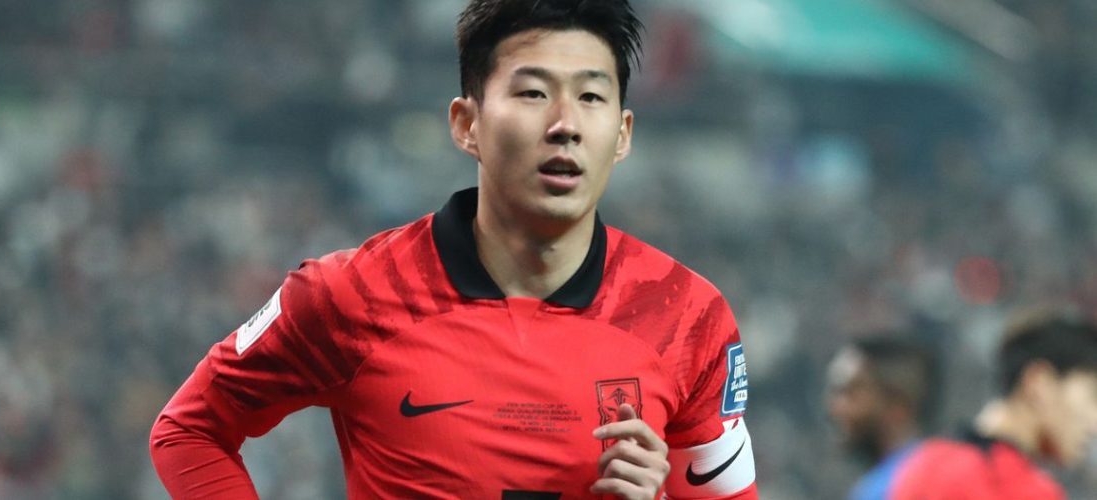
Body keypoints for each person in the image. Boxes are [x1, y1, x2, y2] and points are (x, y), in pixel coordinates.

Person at [149, 1, 758, 498]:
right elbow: (188, 429)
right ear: (467, 123)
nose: (565, 123)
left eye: (592, 97)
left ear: (622, 134)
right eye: (532, 93)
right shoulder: (348, 294)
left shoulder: (688, 318)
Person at [889, 309, 1097, 499]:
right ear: (1039, 383)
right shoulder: (1017, 488)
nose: (1094, 424)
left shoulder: (924, 463)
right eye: (1092, 395)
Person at [826, 336, 938, 500]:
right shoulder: (875, 485)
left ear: (898, 406)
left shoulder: (911, 486)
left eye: (851, 393)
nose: (835, 409)